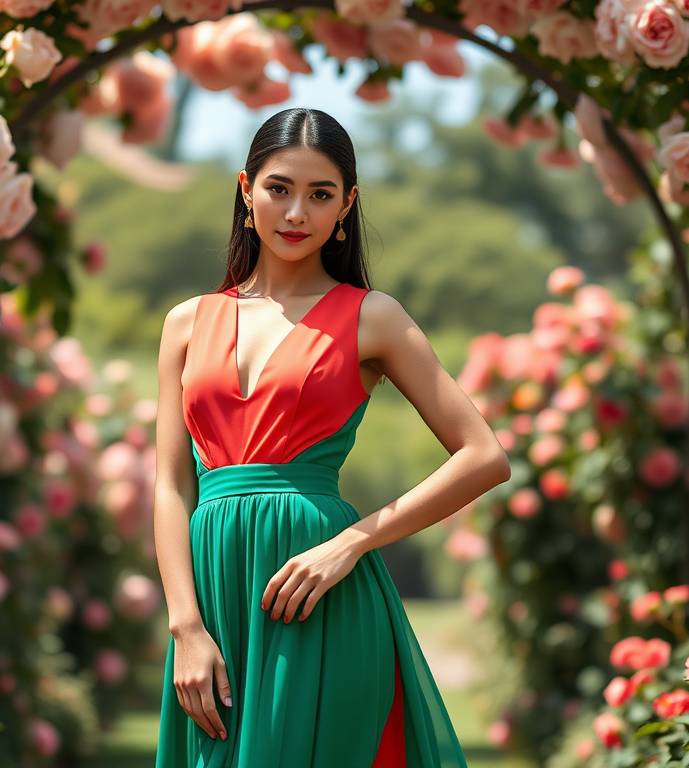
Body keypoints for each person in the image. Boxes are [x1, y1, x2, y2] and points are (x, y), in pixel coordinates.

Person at [154, 107, 511, 767]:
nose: (296, 213)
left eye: (320, 195)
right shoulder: (185, 323)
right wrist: (184, 626)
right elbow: (172, 483)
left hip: (320, 600)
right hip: (214, 602)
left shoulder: (373, 317)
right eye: (280, 188)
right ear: (245, 189)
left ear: (347, 205)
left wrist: (351, 543)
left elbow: (484, 455)